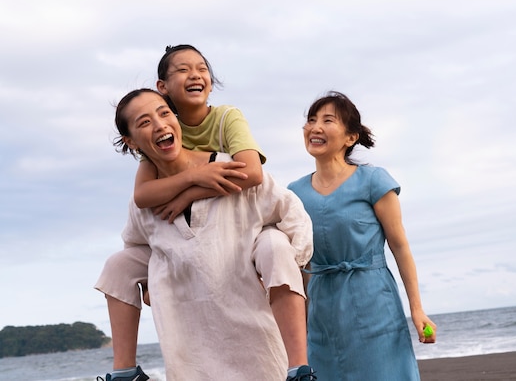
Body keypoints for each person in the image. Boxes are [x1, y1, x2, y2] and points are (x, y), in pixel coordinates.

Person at [95, 46, 314, 381]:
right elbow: (133, 250)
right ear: (133, 142)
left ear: (176, 118)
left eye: (164, 114)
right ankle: (124, 373)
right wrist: (151, 286)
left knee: (274, 243)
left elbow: (294, 219)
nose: (158, 124)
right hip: (190, 358)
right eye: (144, 122)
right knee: (117, 263)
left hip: (258, 353)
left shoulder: (233, 173)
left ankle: (299, 370)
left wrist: (277, 269)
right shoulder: (145, 201)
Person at [288, 91, 437, 380]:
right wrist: (300, 326)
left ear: (350, 137)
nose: (315, 127)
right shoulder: (294, 193)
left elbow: (400, 246)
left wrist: (417, 310)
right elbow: (299, 264)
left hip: (373, 303)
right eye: (311, 120)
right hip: (322, 315)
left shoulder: (373, 180)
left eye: (327, 120)